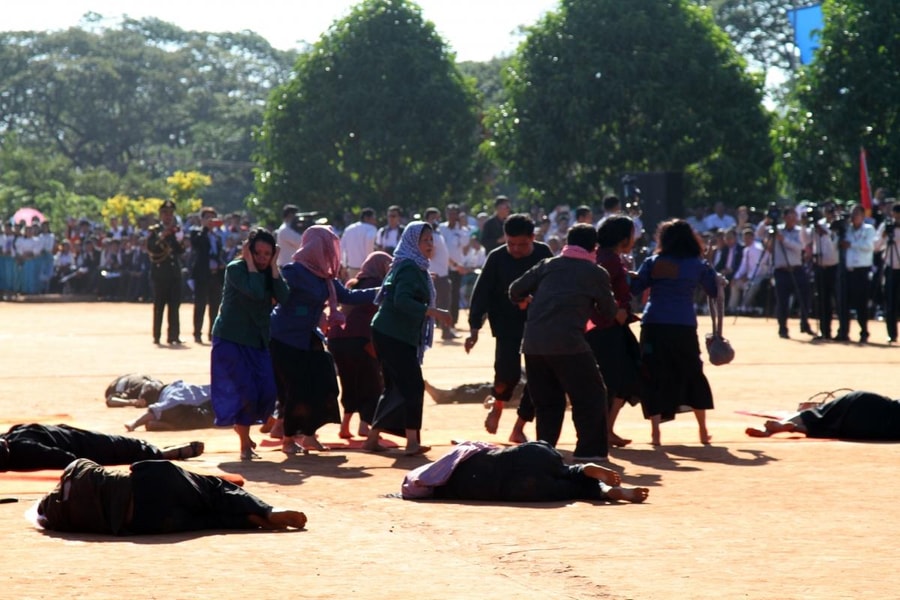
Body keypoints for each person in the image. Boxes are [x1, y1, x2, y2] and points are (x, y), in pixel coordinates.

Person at [509, 223, 618, 461]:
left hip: (533, 344)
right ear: (594, 246)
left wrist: (529, 300)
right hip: (569, 342)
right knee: (591, 396)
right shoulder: (596, 272)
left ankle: (543, 454)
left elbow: (515, 290)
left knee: (548, 403)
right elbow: (609, 312)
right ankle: (591, 452)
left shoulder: (548, 265)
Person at [270, 226, 377, 454]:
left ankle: (309, 435)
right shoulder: (293, 271)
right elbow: (279, 296)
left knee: (325, 384)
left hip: (309, 338)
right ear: (315, 246)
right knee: (297, 389)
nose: (331, 250)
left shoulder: (326, 278)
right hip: (284, 339)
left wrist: (386, 289)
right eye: (327, 245)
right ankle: (289, 438)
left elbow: (349, 296)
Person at [33, 458, 306, 535]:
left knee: (209, 520)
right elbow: (84, 463)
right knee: (212, 488)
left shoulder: (66, 520)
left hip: (144, 522)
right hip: (149, 484)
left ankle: (250, 519)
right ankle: (266, 511)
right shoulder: (77, 472)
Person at [363, 222, 452, 455]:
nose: (430, 244)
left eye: (431, 240)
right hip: (393, 334)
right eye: (425, 240)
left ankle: (372, 439)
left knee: (396, 386)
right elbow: (401, 300)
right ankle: (411, 442)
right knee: (411, 385)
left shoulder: (413, 267)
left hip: (392, 333)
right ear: (413, 243)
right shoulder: (410, 267)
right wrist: (434, 312)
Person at [630, 219, 719, 446]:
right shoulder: (697, 265)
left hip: (655, 324)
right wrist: (709, 265)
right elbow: (713, 289)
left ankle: (656, 432)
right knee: (692, 372)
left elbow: (635, 288)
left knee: (654, 373)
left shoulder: (654, 262)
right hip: (683, 324)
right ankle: (702, 429)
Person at [465, 214, 553, 443]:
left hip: (538, 324)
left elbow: (555, 287)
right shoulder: (496, 258)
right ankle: (498, 404)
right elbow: (481, 292)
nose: (515, 249)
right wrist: (474, 327)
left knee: (538, 377)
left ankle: (519, 426)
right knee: (507, 373)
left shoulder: (544, 255)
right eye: (510, 243)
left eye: (521, 244)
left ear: (533, 238)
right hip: (505, 323)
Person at [210, 227, 288, 460]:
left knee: (267, 391)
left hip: (258, 340)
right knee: (247, 391)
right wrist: (251, 264)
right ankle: (245, 443)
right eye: (258, 253)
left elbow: (284, 297)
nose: (262, 258)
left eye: (268, 253)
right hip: (231, 339)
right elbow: (254, 291)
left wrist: (274, 266)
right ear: (249, 252)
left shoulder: (270, 271)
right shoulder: (236, 269)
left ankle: (242, 428)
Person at [402, 440, 648, 503]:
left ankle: (606, 492)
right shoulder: (460, 455)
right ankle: (584, 469)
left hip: (518, 489)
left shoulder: (446, 488)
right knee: (563, 468)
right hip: (528, 455)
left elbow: (414, 486)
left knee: (570, 489)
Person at [589, 216, 642, 448]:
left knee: (622, 378)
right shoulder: (608, 259)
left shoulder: (606, 256)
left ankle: (606, 429)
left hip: (609, 327)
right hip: (607, 328)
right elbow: (597, 290)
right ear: (623, 238)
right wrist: (615, 311)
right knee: (616, 379)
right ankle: (603, 430)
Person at [328, 251, 392, 439]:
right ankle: (365, 426)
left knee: (349, 383)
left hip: (337, 339)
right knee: (371, 383)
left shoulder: (352, 284)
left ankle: (344, 427)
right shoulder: (380, 287)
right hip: (360, 339)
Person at [0, 424, 203, 471]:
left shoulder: (21, 445)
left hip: (66, 436)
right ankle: (159, 453)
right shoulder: (26, 449)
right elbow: (70, 460)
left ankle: (158, 452)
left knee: (120, 444)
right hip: (80, 443)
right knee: (120, 446)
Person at [745, 390, 900, 440]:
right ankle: (795, 428)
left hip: (868, 403)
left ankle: (775, 428)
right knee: (833, 429)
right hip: (876, 428)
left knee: (817, 414)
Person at [756, 207, 813, 339]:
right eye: (790, 217)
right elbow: (758, 234)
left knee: (805, 296)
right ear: (785, 217)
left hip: (797, 268)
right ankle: (783, 327)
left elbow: (800, 247)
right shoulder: (776, 230)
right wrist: (766, 221)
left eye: (795, 217)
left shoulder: (800, 231)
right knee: (782, 301)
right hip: (781, 270)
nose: (793, 220)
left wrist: (783, 240)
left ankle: (804, 323)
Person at [146, 200, 186, 345]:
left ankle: (174, 335)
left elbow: (181, 250)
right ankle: (157, 335)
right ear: (161, 215)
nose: (168, 216)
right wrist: (162, 236)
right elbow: (151, 249)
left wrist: (175, 237)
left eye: (170, 213)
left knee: (174, 305)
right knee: (159, 306)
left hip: (174, 272)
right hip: (160, 273)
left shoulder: (177, 230)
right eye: (165, 213)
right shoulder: (155, 231)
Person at [837, 204, 876, 343]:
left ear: (863, 216)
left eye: (856, 215)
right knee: (844, 302)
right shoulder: (847, 230)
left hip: (861, 271)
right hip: (848, 271)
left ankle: (864, 331)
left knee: (861, 303)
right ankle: (843, 331)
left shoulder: (869, 229)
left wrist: (852, 245)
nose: (853, 218)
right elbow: (838, 243)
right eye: (852, 215)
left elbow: (870, 246)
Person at [189, 207, 225, 344]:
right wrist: (205, 229)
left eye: (212, 218)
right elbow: (198, 245)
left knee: (215, 305)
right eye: (207, 218)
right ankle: (197, 333)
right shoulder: (196, 233)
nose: (210, 221)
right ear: (202, 219)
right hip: (202, 275)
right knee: (200, 304)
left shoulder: (217, 236)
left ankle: (212, 332)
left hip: (215, 275)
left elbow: (218, 254)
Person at [123, 380, 215, 432]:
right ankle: (167, 425)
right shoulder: (174, 389)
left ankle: (166, 425)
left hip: (201, 407)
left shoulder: (173, 393)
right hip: (203, 407)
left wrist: (135, 423)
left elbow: (156, 410)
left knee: (161, 411)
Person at [875, 203, 900, 343]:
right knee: (890, 302)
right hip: (891, 267)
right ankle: (892, 333)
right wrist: (885, 235)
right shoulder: (886, 226)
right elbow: (876, 246)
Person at [340, 207, 378, 279]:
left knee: (352, 289)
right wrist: (370, 264)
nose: (375, 221)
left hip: (351, 268)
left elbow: (342, 248)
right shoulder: (371, 228)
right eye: (374, 218)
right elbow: (369, 247)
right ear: (367, 218)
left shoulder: (349, 229)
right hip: (366, 269)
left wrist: (344, 266)